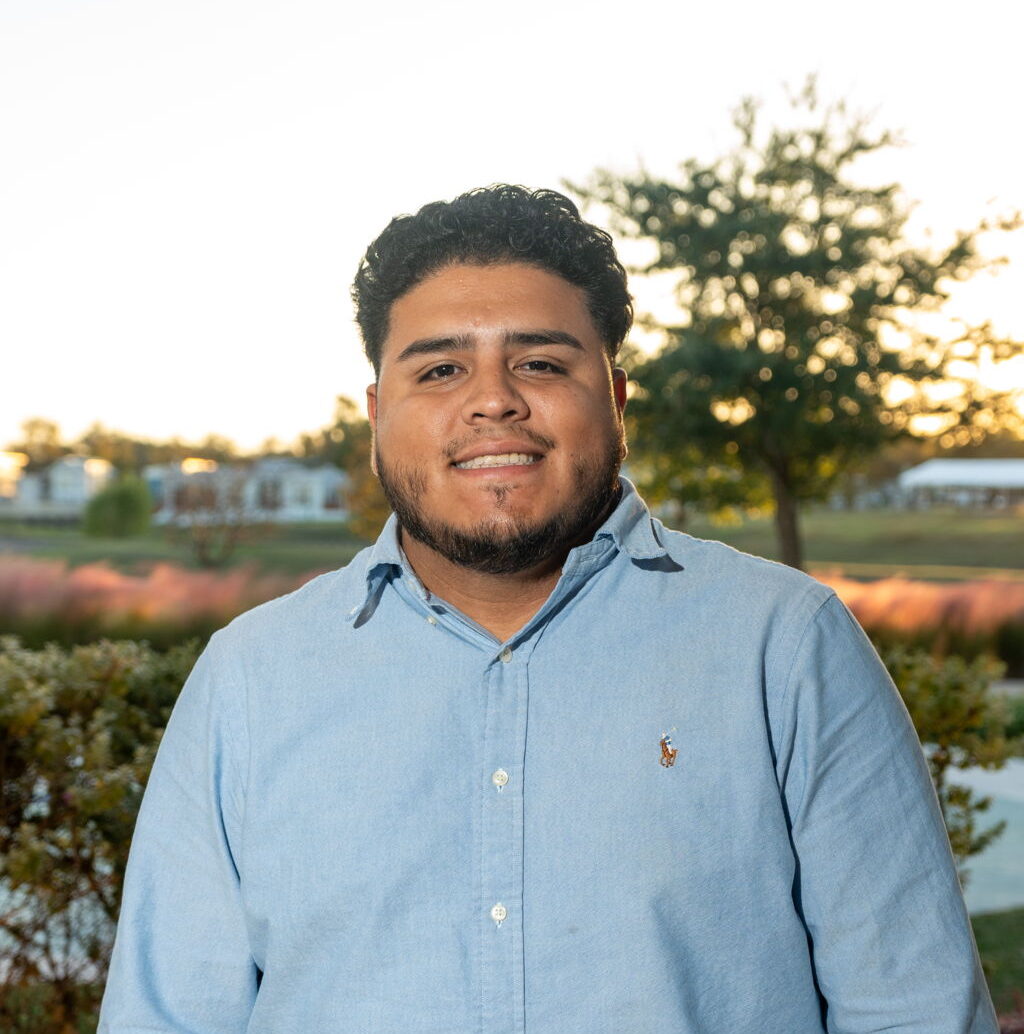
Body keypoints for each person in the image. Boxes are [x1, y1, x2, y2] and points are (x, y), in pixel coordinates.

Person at [99, 185, 998, 1033]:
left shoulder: (785, 646)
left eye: (538, 361)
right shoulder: (249, 681)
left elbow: (912, 1008)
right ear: (377, 415)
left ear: (613, 399)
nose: (493, 399)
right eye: (441, 368)